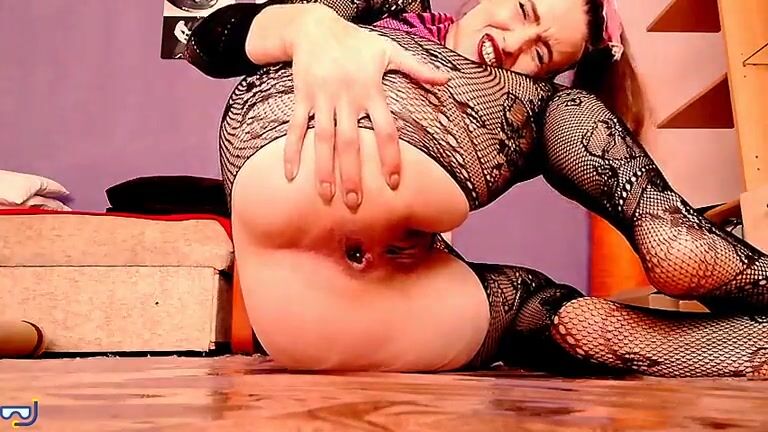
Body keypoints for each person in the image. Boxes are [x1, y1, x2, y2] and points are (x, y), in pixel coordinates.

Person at [183, 0, 768, 377]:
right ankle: (676, 235)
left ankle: (730, 345)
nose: (516, 42)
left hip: (318, 326)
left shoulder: (485, 112)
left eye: (541, 54)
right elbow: (206, 38)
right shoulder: (393, 6)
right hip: (296, 162)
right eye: (523, 9)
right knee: (561, 114)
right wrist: (310, 26)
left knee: (531, 306)